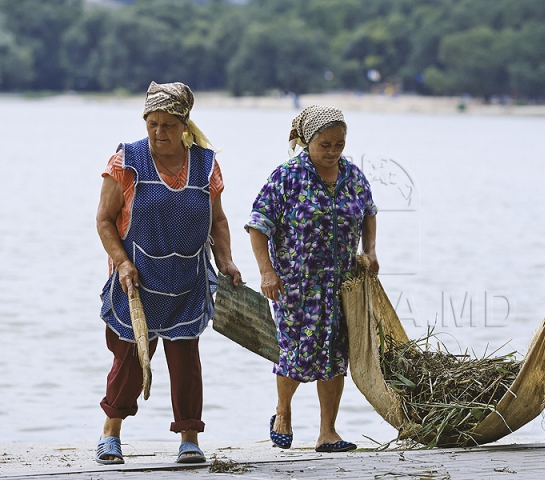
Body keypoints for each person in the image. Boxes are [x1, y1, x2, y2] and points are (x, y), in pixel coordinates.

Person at [95, 81, 242, 464]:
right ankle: (110, 435)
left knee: (186, 362)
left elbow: (219, 221)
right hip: (136, 282)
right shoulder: (126, 161)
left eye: (168, 124)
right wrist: (122, 263)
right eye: (152, 123)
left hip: (186, 282)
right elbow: (105, 221)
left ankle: (189, 440)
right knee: (127, 360)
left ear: (184, 125)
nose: (159, 132)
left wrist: (226, 261)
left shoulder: (205, 164)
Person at [246, 105, 378, 453]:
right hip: (296, 285)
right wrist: (266, 272)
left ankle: (328, 432)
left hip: (342, 285)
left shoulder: (352, 175)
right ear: (307, 141)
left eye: (339, 144)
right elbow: (258, 226)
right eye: (325, 145)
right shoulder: (286, 176)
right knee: (295, 353)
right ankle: (283, 413)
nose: (333, 152)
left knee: (336, 356)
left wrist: (372, 251)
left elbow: (368, 213)